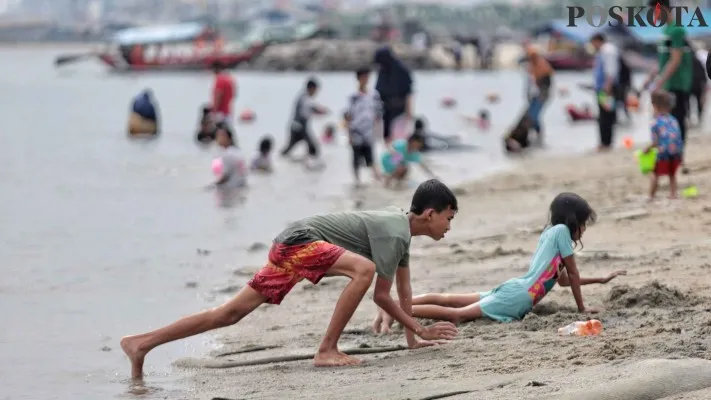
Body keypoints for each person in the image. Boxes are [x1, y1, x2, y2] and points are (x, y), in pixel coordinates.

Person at [120, 179, 459, 378]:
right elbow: (380, 297)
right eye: (449, 217)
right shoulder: (395, 231)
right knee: (364, 270)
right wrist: (420, 327)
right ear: (430, 214)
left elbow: (403, 289)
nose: (449, 226)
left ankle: (141, 343)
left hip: (293, 246)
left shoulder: (401, 231)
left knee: (229, 314)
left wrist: (414, 339)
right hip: (300, 241)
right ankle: (326, 350)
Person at [373, 192, 627, 332]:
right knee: (456, 314)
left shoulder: (550, 233)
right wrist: (582, 309)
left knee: (450, 298)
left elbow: (560, 281)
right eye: (583, 223)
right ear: (574, 220)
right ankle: (396, 309)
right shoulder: (561, 232)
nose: (583, 229)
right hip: (518, 297)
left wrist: (600, 279)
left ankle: (395, 305)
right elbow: (572, 274)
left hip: (516, 288)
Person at [643, 0, 692, 174]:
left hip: (678, 84)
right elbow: (662, 60)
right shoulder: (665, 31)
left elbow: (676, 59)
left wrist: (659, 82)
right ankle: (668, 157)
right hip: (667, 84)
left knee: (677, 122)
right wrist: (649, 78)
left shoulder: (677, 30)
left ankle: (679, 159)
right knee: (664, 121)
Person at [504, 45, 552, 152]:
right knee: (533, 116)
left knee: (533, 116)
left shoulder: (542, 65)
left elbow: (545, 83)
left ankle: (538, 138)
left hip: (542, 94)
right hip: (536, 95)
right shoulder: (532, 66)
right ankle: (538, 139)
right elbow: (530, 83)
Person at [345, 67, 382, 186]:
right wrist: (348, 134)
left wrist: (378, 132)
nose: (365, 79)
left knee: (370, 157)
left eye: (367, 77)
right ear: (358, 78)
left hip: (369, 131)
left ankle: (376, 179)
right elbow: (348, 116)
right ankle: (357, 180)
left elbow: (377, 114)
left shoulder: (374, 95)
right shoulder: (353, 96)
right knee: (356, 158)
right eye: (363, 77)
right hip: (356, 131)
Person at [281, 78, 329, 168]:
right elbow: (313, 108)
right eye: (315, 90)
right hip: (300, 128)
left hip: (295, 126)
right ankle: (313, 165)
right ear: (311, 88)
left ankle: (281, 159)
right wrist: (324, 111)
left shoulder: (302, 97)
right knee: (313, 146)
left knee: (290, 148)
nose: (316, 92)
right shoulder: (306, 98)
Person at [645, 90, 683, 201]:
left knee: (655, 174)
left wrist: (647, 149)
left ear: (655, 106)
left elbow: (655, 142)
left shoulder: (655, 123)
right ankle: (673, 194)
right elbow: (678, 137)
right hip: (676, 152)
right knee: (672, 175)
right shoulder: (673, 120)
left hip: (663, 153)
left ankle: (651, 195)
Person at [374, 47, 413, 143]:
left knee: (399, 137)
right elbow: (378, 92)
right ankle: (389, 155)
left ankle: (397, 156)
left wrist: (409, 111)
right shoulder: (383, 69)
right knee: (385, 137)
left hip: (400, 109)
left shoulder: (402, 70)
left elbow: (408, 92)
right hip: (385, 109)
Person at [590, 33, 620, 151]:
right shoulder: (604, 51)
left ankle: (606, 143)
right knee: (604, 114)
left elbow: (610, 70)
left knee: (605, 115)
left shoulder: (608, 51)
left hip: (606, 89)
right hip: (604, 88)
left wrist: (607, 87)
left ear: (597, 41)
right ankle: (605, 142)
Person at [207, 123, 247, 191]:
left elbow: (224, 177)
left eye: (220, 136)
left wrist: (210, 187)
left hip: (230, 190)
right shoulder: (238, 152)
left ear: (227, 138)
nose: (217, 139)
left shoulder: (227, 155)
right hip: (240, 187)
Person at [211, 61, 236, 126]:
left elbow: (218, 96)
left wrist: (214, 111)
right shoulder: (229, 79)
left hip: (220, 113)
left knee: (218, 132)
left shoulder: (219, 80)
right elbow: (233, 95)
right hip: (228, 111)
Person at [690, 48, 707, 126]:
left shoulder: (691, 63)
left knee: (695, 103)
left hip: (694, 86)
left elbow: (704, 77)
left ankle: (696, 118)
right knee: (696, 104)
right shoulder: (698, 62)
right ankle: (697, 118)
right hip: (695, 86)